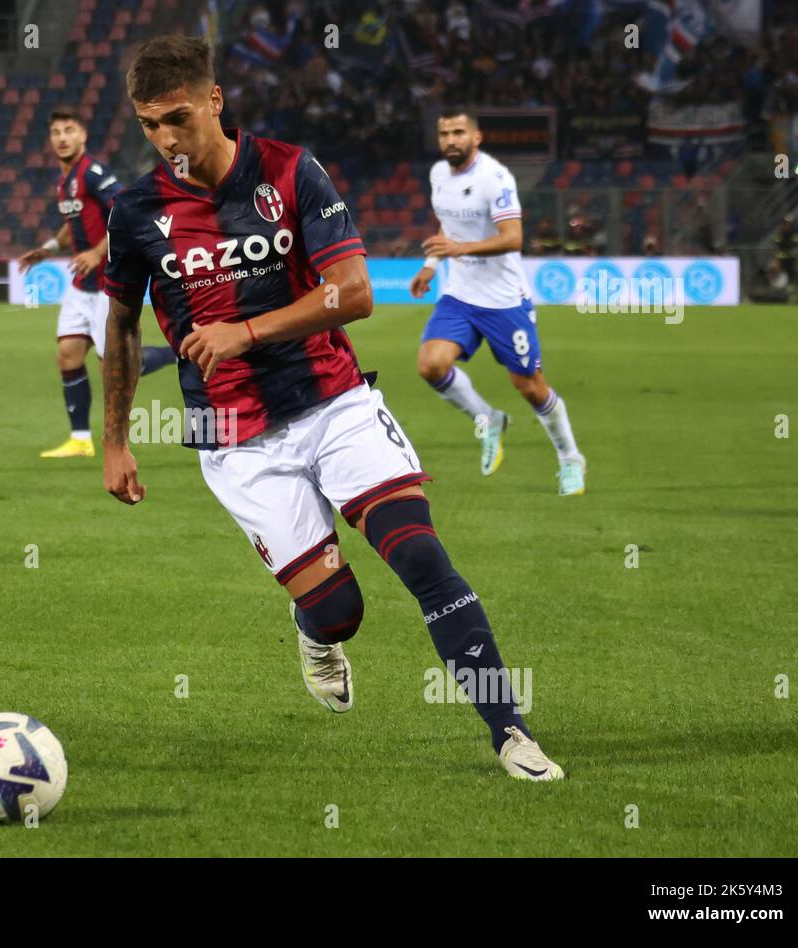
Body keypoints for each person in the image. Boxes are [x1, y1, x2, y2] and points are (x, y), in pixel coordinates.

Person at [101, 36, 563, 780]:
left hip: (333, 399)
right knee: (339, 611)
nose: (164, 140)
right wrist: (114, 441)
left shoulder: (288, 170)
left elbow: (354, 293)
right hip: (233, 438)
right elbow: (120, 329)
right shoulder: (134, 209)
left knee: (419, 555)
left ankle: (510, 731)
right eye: (148, 125)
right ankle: (315, 626)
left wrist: (244, 330)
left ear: (214, 101)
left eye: (177, 119)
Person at [410, 107, 586, 495]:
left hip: (505, 301)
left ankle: (570, 459)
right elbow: (447, 225)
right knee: (431, 365)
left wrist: (459, 248)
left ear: (476, 137)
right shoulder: (439, 174)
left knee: (529, 386)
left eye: (458, 132)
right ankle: (488, 419)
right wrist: (431, 264)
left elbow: (512, 237)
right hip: (459, 296)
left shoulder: (495, 178)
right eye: (444, 133)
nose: (450, 140)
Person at [18, 107, 174, 459]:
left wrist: (96, 251)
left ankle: (174, 354)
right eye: (56, 131)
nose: (61, 137)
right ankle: (80, 439)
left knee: (114, 366)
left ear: (83, 136)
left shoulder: (93, 173)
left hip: (108, 284)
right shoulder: (64, 180)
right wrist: (47, 249)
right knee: (67, 355)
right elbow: (70, 223)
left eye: (69, 130)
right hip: (82, 285)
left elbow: (126, 211)